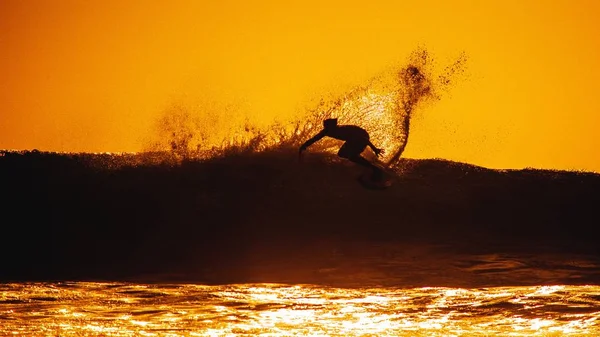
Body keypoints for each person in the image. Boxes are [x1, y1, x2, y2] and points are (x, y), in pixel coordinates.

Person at [299, 118, 385, 180]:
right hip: (352, 139)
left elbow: (363, 139)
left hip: (362, 136)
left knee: (352, 156)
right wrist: (304, 145)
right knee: (341, 154)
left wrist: (375, 149)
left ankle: (375, 169)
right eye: (325, 127)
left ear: (334, 126)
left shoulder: (342, 130)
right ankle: (366, 164)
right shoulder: (326, 131)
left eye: (328, 127)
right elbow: (315, 138)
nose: (326, 129)